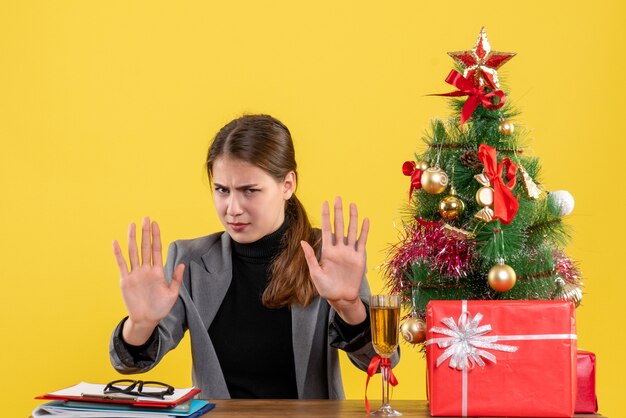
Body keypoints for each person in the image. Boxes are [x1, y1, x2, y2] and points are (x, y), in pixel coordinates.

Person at [109, 114, 399, 399]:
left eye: (249, 191)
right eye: (222, 190)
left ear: (287, 185)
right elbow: (131, 363)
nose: (232, 208)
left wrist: (348, 306)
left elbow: (383, 361)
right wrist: (140, 324)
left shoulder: (329, 256)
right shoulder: (190, 261)